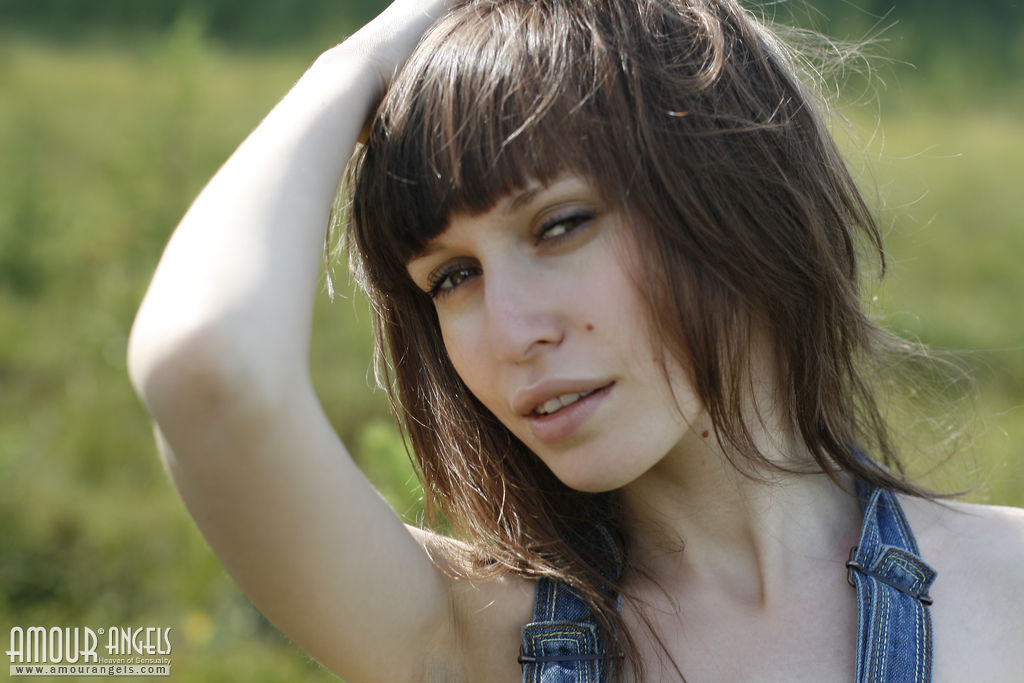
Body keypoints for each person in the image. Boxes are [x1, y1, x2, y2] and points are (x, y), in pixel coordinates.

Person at [128, 0, 1024, 680]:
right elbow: (203, 362)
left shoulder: (1009, 587)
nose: (510, 333)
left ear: (734, 193)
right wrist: (367, 55)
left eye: (559, 225)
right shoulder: (471, 636)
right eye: (452, 277)